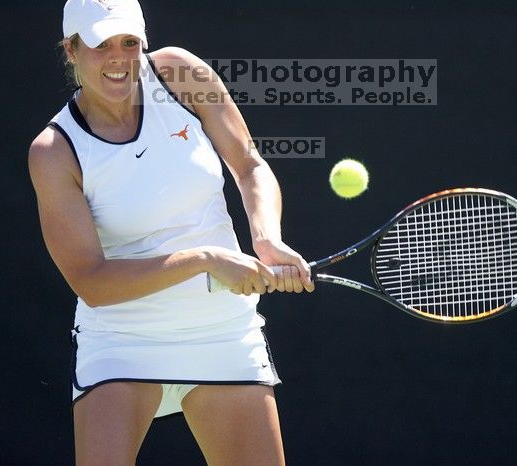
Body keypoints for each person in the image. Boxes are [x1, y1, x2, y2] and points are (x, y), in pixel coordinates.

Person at [28, 1, 314, 464]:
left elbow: (249, 165)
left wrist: (266, 238)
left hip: (221, 330)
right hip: (122, 341)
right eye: (101, 45)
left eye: (130, 43)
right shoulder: (54, 151)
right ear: (72, 50)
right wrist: (203, 259)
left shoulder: (179, 74)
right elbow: (91, 281)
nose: (119, 58)